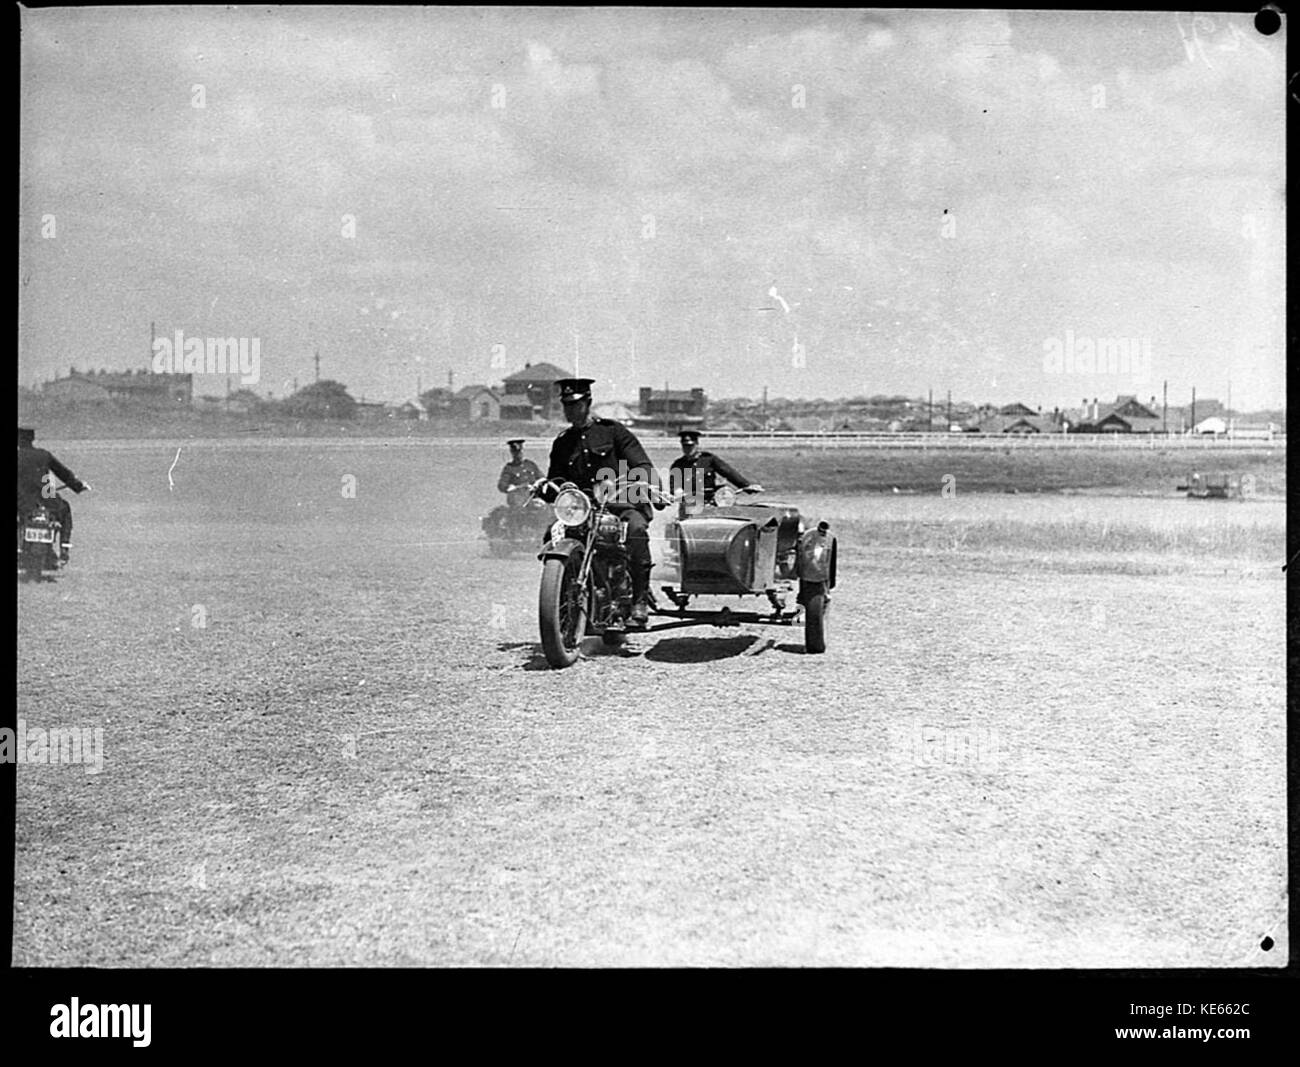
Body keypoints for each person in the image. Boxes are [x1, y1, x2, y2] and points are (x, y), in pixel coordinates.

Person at [541, 378, 661, 626]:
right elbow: (556, 478)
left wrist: (651, 487)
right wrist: (551, 486)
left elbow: (642, 464)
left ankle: (638, 600)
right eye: (566, 405)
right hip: (583, 509)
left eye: (576, 404)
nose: (570, 410)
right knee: (550, 535)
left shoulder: (612, 431)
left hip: (622, 502)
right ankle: (563, 592)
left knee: (636, 530)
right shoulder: (562, 442)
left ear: (588, 403)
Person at [17, 427, 91, 561]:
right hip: (47, 496)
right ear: (32, 439)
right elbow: (62, 473)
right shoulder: (44, 455)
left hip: (21, 499)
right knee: (65, 509)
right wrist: (78, 486)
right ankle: (64, 547)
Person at [669, 429, 763, 505]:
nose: (688, 449)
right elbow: (674, 486)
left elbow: (728, 472)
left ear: (697, 444)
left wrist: (746, 485)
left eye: (691, 446)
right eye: (685, 446)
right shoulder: (678, 465)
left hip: (711, 502)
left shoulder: (708, 459)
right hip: (689, 504)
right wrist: (678, 493)